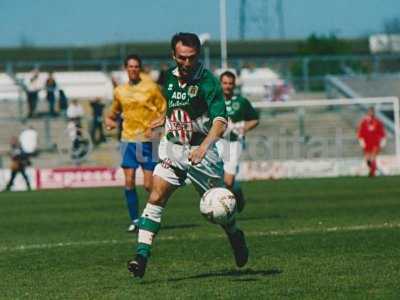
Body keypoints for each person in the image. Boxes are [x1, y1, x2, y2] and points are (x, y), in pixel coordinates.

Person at [127, 33, 249, 279]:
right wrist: (165, 119)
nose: (187, 63)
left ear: (198, 56)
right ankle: (141, 256)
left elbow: (219, 121)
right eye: (182, 58)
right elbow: (176, 108)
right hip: (173, 149)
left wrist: (203, 147)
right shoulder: (169, 80)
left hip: (203, 155)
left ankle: (235, 234)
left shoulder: (208, 82)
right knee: (156, 195)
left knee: (221, 211)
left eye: (192, 58)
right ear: (174, 55)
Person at [105, 54, 166, 232]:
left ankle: (152, 215)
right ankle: (135, 220)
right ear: (126, 68)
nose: (133, 69)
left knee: (149, 185)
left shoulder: (152, 88)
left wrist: (155, 128)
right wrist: (109, 122)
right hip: (128, 140)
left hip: (149, 141)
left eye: (136, 66)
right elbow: (112, 114)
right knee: (129, 181)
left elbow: (164, 110)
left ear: (140, 68)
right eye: (130, 66)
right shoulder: (120, 91)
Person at [216, 71, 259, 213]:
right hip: (216, 142)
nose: (227, 86)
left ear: (234, 85)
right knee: (216, 180)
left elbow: (254, 119)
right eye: (225, 83)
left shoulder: (241, 102)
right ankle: (227, 201)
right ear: (220, 84)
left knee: (227, 182)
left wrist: (243, 127)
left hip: (234, 143)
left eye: (230, 83)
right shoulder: (213, 101)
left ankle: (231, 204)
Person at [357, 107, 386, 177]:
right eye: (370, 112)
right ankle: (372, 169)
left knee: (373, 157)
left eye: (372, 112)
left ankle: (372, 172)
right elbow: (360, 132)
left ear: (374, 113)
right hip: (366, 142)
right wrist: (360, 140)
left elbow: (382, 132)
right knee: (367, 159)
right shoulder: (364, 122)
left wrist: (383, 140)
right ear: (368, 112)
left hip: (375, 142)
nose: (371, 113)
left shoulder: (378, 122)